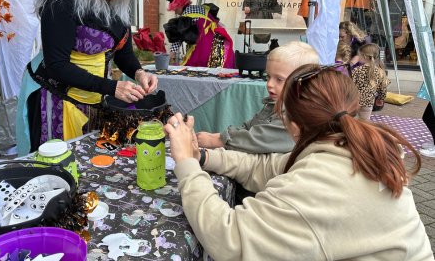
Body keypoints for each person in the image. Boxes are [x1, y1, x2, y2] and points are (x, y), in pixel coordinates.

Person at [165, 64, 432, 260]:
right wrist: (202, 157)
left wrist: (186, 165)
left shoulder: (315, 185)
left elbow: (228, 239)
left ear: (292, 125)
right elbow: (265, 167)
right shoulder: (352, 147)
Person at [16, 0, 170, 155]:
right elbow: (58, 65)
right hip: (56, 97)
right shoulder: (61, 1)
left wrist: (139, 72)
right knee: (60, 166)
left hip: (94, 97)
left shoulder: (117, 4)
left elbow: (123, 53)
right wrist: (112, 87)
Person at [197, 41, 319, 154]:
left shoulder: (296, 115)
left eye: (279, 79)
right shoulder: (273, 104)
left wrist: (216, 141)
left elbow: (259, 139)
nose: (270, 84)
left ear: (301, 83)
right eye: (268, 77)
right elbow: (249, 127)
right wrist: (218, 136)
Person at [165, 0, 235, 68]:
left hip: (202, 45)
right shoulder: (202, 8)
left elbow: (179, 36)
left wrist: (171, 54)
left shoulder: (186, 16)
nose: (175, 12)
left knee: (196, 70)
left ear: (180, 5)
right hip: (217, 42)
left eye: (175, 9)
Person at [351, 43, 390, 121]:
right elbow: (383, 88)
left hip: (355, 101)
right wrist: (381, 99)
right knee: (365, 121)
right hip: (369, 102)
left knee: (354, 122)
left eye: (359, 56)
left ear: (364, 56)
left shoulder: (356, 70)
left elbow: (350, 85)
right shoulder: (380, 71)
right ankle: (364, 132)